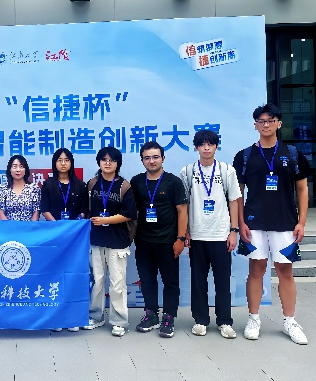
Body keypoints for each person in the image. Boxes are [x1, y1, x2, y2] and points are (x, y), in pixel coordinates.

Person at [233, 103, 309, 345]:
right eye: (261, 121)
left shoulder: (293, 154)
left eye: (270, 120)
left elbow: (302, 189)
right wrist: (240, 222)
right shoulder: (245, 156)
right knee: (256, 270)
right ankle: (253, 319)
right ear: (255, 125)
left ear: (279, 123)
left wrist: (302, 221)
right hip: (253, 224)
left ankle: (290, 321)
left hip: (285, 223)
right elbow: (238, 193)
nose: (266, 124)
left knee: (286, 272)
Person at [180, 131, 241, 339]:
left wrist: (233, 231)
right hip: (197, 235)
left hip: (221, 234)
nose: (206, 148)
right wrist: (186, 231)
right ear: (196, 147)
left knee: (223, 281)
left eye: (210, 144)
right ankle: (200, 320)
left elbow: (234, 201)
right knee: (198, 281)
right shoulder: (187, 172)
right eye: (202, 144)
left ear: (216, 146)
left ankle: (225, 321)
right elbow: (184, 205)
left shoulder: (226, 170)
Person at [130, 141, 187, 338]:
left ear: (163, 158)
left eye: (155, 157)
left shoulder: (173, 182)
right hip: (143, 241)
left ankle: (169, 317)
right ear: (142, 160)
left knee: (170, 282)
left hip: (168, 242)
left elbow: (182, 211)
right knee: (147, 280)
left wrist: (180, 238)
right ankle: (151, 315)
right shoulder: (136, 182)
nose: (151, 161)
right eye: (147, 158)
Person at [83, 147, 137, 337]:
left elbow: (129, 214)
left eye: (112, 160)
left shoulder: (124, 186)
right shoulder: (92, 184)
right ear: (98, 162)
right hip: (96, 240)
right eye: (104, 159)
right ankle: (95, 316)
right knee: (97, 282)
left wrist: (106, 220)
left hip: (117, 241)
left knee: (117, 283)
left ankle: (119, 321)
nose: (108, 163)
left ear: (117, 164)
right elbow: (86, 210)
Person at [41, 148, 89, 332]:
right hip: (55, 236)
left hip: (75, 239)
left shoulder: (80, 185)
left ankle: (73, 317)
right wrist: (59, 227)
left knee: (73, 275)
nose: (63, 163)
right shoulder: (48, 184)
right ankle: (57, 317)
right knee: (56, 275)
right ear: (55, 163)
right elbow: (45, 209)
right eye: (59, 160)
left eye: (66, 160)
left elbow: (85, 210)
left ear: (71, 163)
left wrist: (74, 225)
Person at [0, 155, 40, 221]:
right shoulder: (2, 189)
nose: (18, 170)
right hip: (8, 226)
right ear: (10, 169)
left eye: (21, 166)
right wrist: (10, 226)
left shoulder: (34, 188)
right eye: (14, 166)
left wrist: (31, 226)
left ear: (25, 169)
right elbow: (0, 213)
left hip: (29, 226)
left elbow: (36, 211)